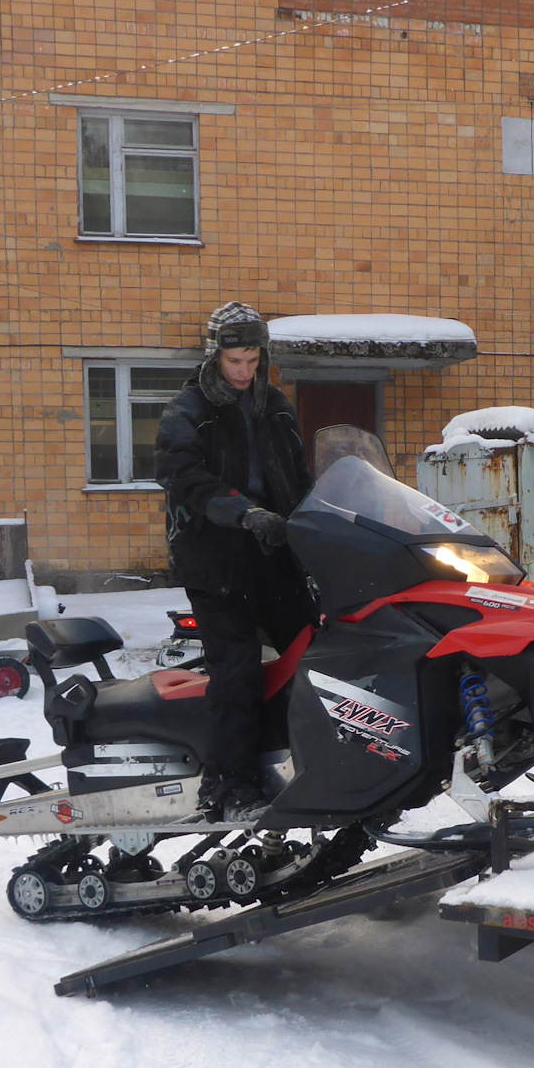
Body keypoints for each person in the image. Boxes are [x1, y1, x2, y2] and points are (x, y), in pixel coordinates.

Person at [155, 302, 316, 821]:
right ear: (215, 357)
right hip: (216, 563)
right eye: (234, 362)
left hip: (275, 556)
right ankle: (230, 785)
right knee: (239, 669)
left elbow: (301, 477)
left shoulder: (277, 408)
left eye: (252, 359)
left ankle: (310, 763)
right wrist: (244, 514)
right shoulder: (188, 412)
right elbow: (184, 478)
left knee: (315, 651)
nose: (244, 371)